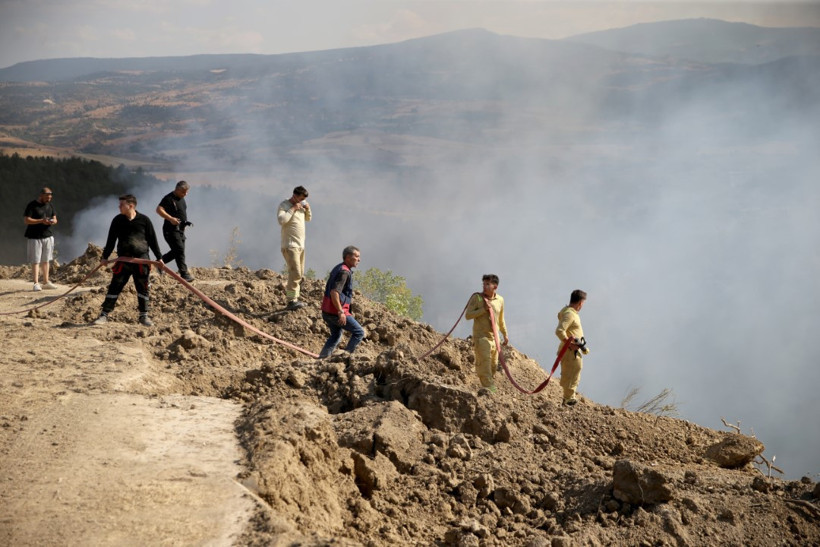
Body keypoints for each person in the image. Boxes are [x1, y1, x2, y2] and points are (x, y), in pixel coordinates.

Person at [92, 195, 163, 327]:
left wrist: (159, 257)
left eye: (121, 205)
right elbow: (111, 240)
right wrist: (105, 257)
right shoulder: (117, 220)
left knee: (143, 288)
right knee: (115, 286)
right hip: (123, 260)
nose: (119, 207)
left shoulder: (144, 220)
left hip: (141, 261)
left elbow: (152, 240)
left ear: (130, 206)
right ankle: (104, 314)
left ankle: (144, 316)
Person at [319, 246, 366, 358]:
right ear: (348, 257)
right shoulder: (344, 272)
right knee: (359, 332)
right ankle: (345, 357)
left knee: (336, 335)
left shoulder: (339, 267)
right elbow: (334, 292)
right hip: (335, 312)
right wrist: (341, 312)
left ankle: (322, 359)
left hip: (326, 310)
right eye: (357, 256)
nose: (359, 260)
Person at [465, 274, 509, 392]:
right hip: (481, 337)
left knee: (493, 366)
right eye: (483, 284)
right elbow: (468, 315)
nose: (484, 286)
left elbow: (501, 319)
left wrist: (505, 334)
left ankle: (488, 389)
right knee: (484, 363)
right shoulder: (477, 298)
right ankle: (490, 390)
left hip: (495, 338)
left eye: (487, 284)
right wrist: (483, 309)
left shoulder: (500, 300)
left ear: (495, 286)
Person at [277, 186, 311, 310]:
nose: (301, 201)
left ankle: (294, 298)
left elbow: (308, 219)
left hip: (300, 245)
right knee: (295, 273)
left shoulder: (301, 206)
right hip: (290, 245)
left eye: (304, 200)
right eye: (300, 199)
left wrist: (307, 209)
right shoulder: (285, 205)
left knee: (299, 274)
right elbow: (281, 220)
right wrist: (293, 209)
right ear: (295, 196)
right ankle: (291, 300)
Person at [554, 289, 589, 406]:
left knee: (574, 372)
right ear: (580, 303)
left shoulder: (568, 312)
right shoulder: (570, 314)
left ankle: (568, 398)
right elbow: (559, 331)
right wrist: (570, 344)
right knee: (571, 373)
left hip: (572, 350)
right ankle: (569, 400)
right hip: (570, 351)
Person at [156, 180, 194, 281]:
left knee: (178, 251)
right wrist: (170, 219)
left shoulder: (182, 199)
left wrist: (184, 224)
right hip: (170, 230)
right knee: (179, 250)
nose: (185, 194)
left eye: (187, 192)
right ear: (177, 190)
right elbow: (159, 210)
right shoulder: (168, 198)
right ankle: (184, 273)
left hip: (180, 230)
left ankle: (160, 262)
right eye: (183, 192)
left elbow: (181, 213)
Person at [23, 187, 58, 291]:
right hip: (34, 236)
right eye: (47, 197)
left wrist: (52, 221)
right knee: (36, 260)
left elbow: (55, 218)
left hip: (48, 235)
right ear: (41, 195)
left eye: (50, 197)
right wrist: (41, 221)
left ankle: (46, 282)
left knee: (46, 260)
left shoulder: (50, 205)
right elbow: (26, 220)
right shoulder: (32, 205)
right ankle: (36, 283)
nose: (49, 199)